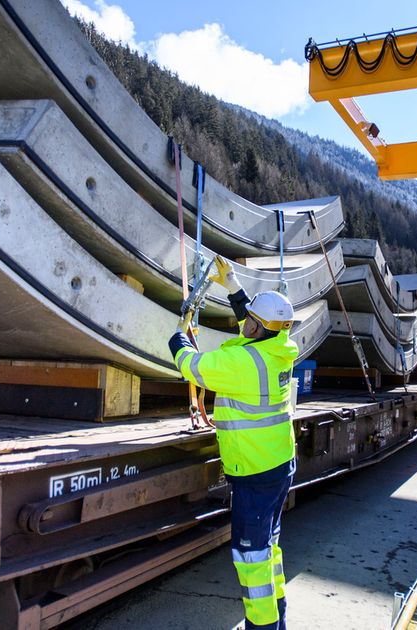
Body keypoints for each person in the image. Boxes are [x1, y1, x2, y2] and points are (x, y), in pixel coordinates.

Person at [169, 255, 298, 630]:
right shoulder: (280, 348)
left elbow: (192, 367)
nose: (247, 324)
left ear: (263, 328)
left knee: (250, 555)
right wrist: (234, 287)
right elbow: (252, 327)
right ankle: (279, 618)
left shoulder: (243, 363)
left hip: (255, 471)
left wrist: (179, 339)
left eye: (252, 321)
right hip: (278, 463)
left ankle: (264, 627)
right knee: (270, 547)